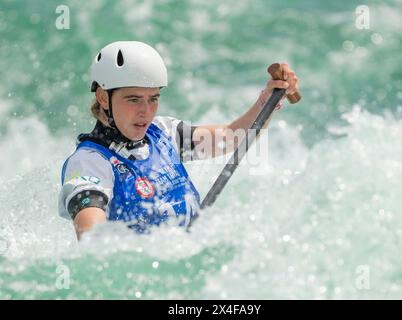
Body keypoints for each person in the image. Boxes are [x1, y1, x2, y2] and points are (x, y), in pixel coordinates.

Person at [58, 41, 299, 240]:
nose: (146, 111)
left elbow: (231, 137)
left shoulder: (163, 132)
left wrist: (267, 101)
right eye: (133, 99)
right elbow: (92, 238)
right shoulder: (89, 163)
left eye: (153, 98)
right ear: (102, 97)